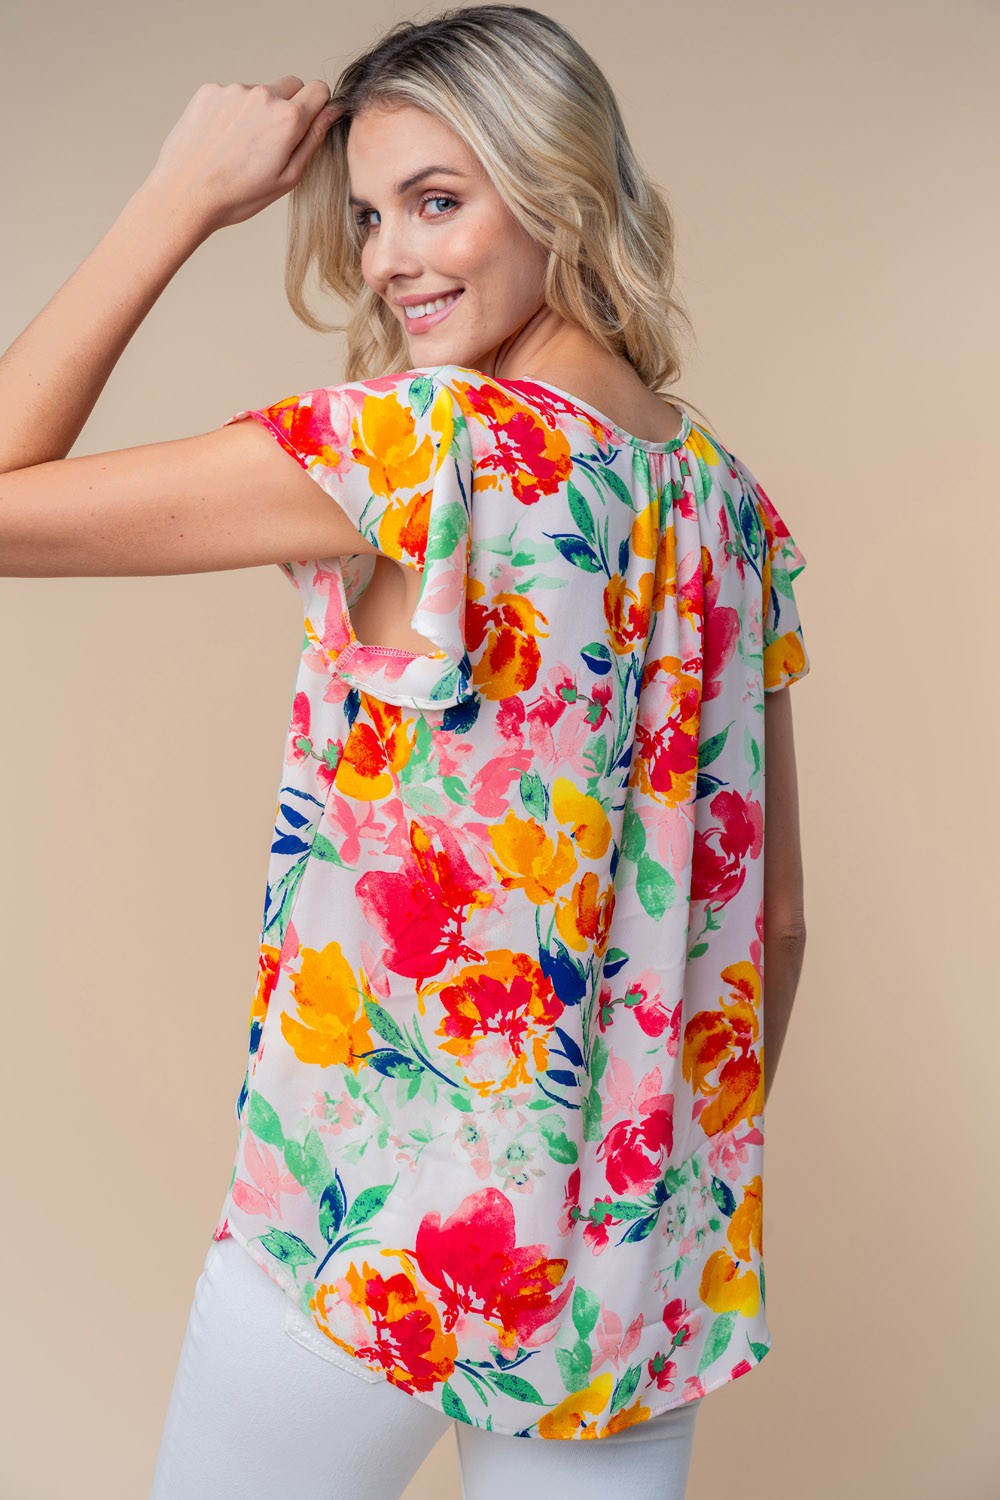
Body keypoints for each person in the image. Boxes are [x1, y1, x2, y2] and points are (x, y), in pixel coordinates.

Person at [0, 6, 809, 1497]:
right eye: (369, 216)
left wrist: (179, 194)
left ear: (559, 185)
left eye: (440, 201)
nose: (386, 258)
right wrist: (635, 1196)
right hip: (623, 1271)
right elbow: (770, 922)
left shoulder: (415, 447)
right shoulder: (732, 507)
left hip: (362, 1238)